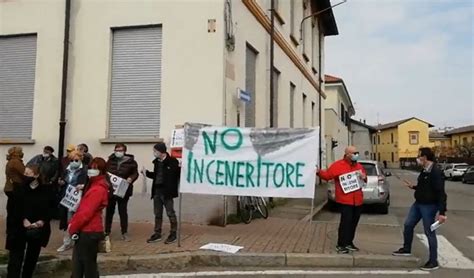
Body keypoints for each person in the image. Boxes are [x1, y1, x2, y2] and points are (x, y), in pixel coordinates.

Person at [393, 147, 447, 271]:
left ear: (425, 157)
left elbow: (441, 193)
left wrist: (442, 212)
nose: (417, 158)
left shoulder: (436, 172)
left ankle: (433, 261)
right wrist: (413, 187)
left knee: (429, 232)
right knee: (408, 225)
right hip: (418, 204)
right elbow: (424, 187)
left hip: (429, 206)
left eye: (419, 156)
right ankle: (406, 249)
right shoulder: (424, 170)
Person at [6, 165, 55, 278]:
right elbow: (12, 208)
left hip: (37, 228)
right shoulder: (18, 188)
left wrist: (42, 221)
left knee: (31, 258)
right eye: (25, 174)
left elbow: (51, 208)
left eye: (29, 174)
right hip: (19, 227)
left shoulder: (46, 190)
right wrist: (23, 219)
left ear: (37, 175)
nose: (25, 176)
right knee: (15, 259)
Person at [317, 146, 367, 254]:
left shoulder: (359, 166)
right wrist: (318, 172)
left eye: (356, 152)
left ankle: (349, 242)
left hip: (357, 199)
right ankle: (341, 244)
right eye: (354, 153)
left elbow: (364, 179)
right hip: (345, 200)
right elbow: (327, 176)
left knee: (354, 222)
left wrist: (364, 177)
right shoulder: (338, 165)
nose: (356, 155)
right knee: (345, 222)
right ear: (347, 154)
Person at [69, 157, 109, 278]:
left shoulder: (97, 189)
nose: (91, 171)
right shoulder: (94, 185)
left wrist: (73, 227)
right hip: (89, 230)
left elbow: (85, 213)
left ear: (101, 171)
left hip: (88, 231)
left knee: (85, 266)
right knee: (83, 265)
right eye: (90, 168)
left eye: (95, 169)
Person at [143, 143, 180, 244]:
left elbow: (177, 174)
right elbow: (156, 176)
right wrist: (146, 173)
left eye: (155, 151)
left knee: (170, 213)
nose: (154, 153)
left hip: (167, 192)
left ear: (162, 152)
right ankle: (157, 233)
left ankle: (173, 233)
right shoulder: (156, 162)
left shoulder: (172, 161)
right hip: (157, 191)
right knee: (157, 214)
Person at [105, 143, 138, 241]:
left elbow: (135, 173)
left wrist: (131, 178)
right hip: (111, 190)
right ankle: (106, 231)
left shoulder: (131, 162)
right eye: (116, 150)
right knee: (109, 211)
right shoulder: (110, 161)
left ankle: (124, 232)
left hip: (123, 190)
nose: (118, 152)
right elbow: (106, 172)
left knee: (122, 211)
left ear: (124, 151)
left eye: (120, 150)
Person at [57, 150, 88, 252]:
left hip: (78, 199)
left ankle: (76, 241)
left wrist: (83, 186)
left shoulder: (85, 170)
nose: (73, 162)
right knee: (67, 221)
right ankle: (67, 242)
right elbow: (64, 180)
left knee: (76, 220)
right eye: (71, 160)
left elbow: (89, 183)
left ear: (80, 159)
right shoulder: (67, 169)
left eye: (76, 160)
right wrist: (61, 182)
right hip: (67, 198)